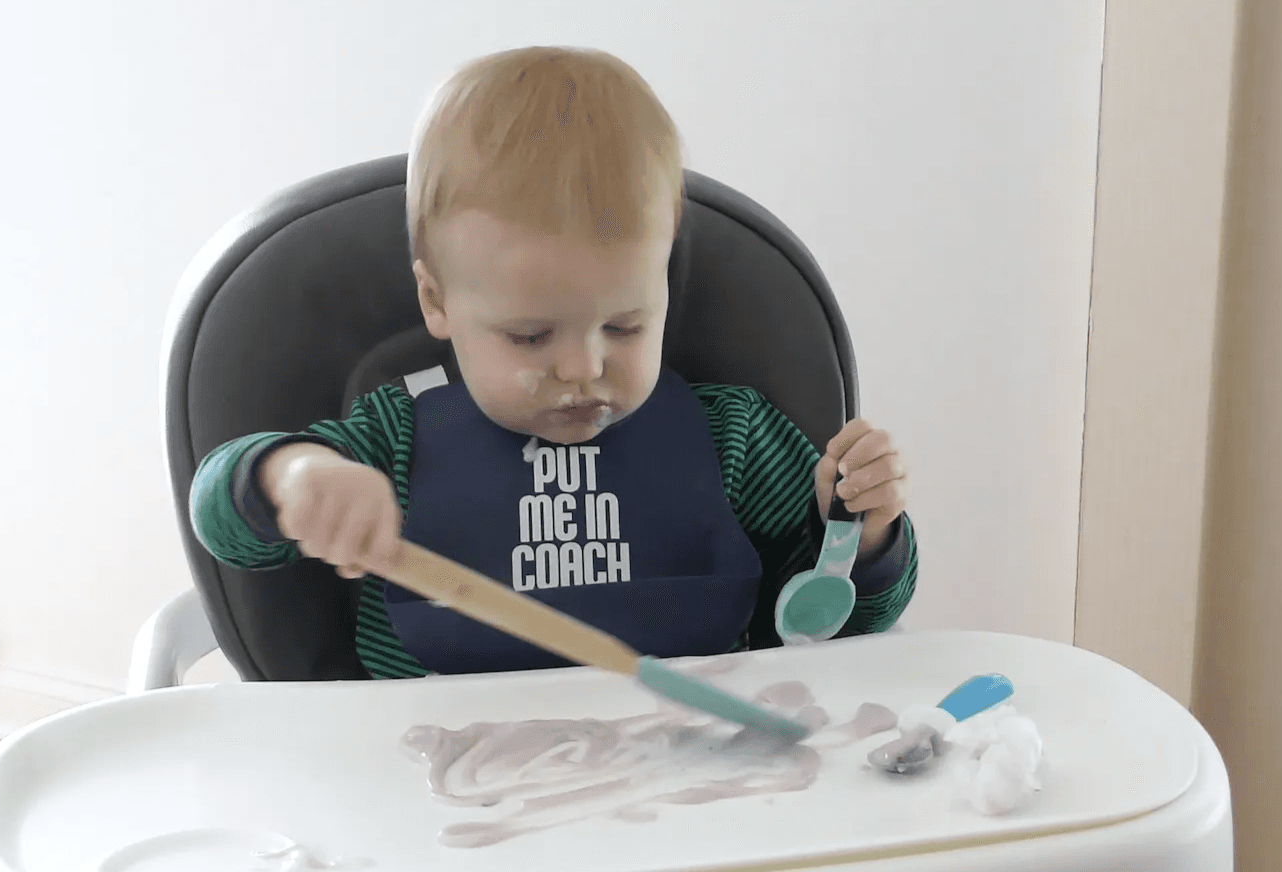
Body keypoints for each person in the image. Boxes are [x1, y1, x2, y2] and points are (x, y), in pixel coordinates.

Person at [190, 46, 916, 680]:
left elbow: (833, 634)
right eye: (530, 336)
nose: (581, 367)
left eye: (625, 326)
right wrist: (288, 476)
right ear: (436, 301)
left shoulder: (733, 437)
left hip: (697, 778)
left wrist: (862, 533)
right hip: (433, 786)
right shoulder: (395, 440)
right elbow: (222, 524)